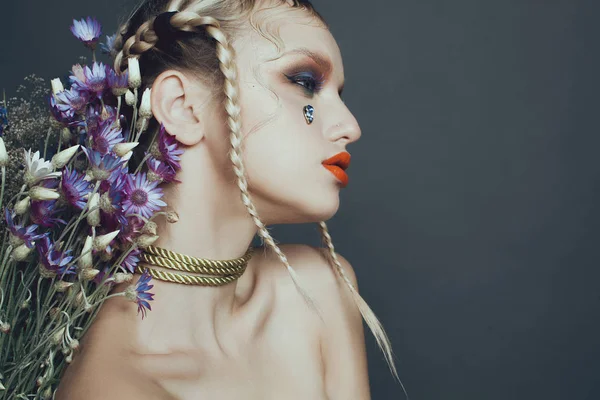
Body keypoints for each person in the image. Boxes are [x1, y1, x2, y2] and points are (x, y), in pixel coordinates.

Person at [55, 0, 399, 398]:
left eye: (337, 92)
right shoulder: (114, 386)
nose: (349, 126)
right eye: (305, 82)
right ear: (183, 108)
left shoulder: (317, 290)